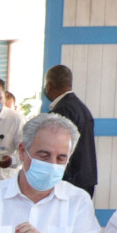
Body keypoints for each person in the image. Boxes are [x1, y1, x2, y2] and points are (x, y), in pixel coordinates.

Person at [42, 64, 98, 197]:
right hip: (86, 177)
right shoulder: (81, 107)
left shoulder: (62, 111)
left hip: (70, 179)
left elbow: (55, 148)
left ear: (48, 86)